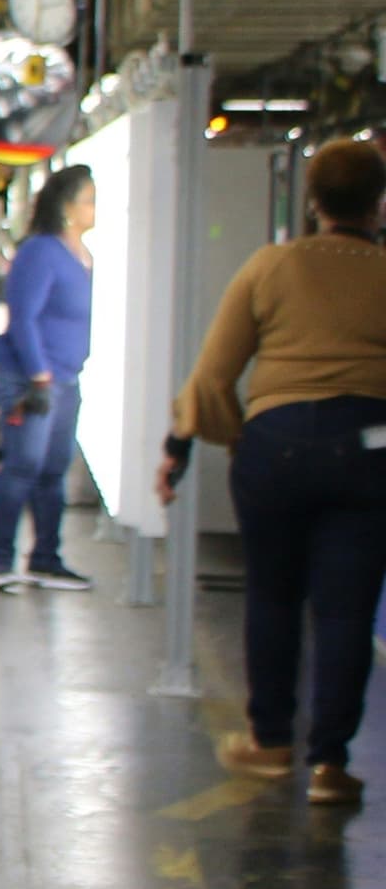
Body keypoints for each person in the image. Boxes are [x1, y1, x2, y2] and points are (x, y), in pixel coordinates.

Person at [161, 137, 386, 810]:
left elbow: (214, 373)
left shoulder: (270, 266)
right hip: (370, 448)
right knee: (346, 610)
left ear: (312, 200)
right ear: (378, 203)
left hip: (276, 445)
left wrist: (194, 444)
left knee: (273, 596)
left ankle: (270, 742)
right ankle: (329, 765)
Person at [0, 164, 97, 594]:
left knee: (54, 469)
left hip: (67, 377)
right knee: (23, 465)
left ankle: (46, 558)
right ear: (67, 206)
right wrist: (37, 375)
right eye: (88, 199)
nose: (94, 208)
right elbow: (24, 318)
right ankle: (2, 561)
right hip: (32, 379)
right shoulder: (40, 252)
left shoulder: (82, 256)